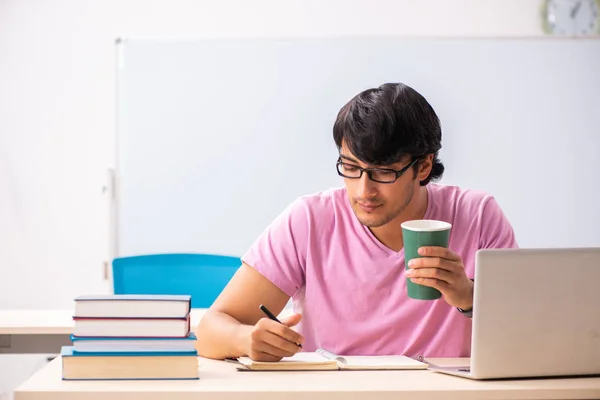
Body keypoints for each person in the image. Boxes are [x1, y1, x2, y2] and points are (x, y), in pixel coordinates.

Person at [195, 82, 518, 362]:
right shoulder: (310, 219)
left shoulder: (476, 214)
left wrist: (468, 296)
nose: (364, 190)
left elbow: (526, 328)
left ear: (423, 167)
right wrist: (247, 340)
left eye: (383, 172)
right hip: (334, 388)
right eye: (350, 167)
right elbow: (211, 329)